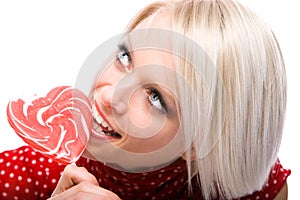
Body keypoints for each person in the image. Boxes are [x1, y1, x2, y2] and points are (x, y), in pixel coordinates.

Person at [0, 0, 291, 199]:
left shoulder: (260, 189)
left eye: (155, 98)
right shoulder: (18, 179)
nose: (109, 94)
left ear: (197, 142)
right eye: (124, 57)